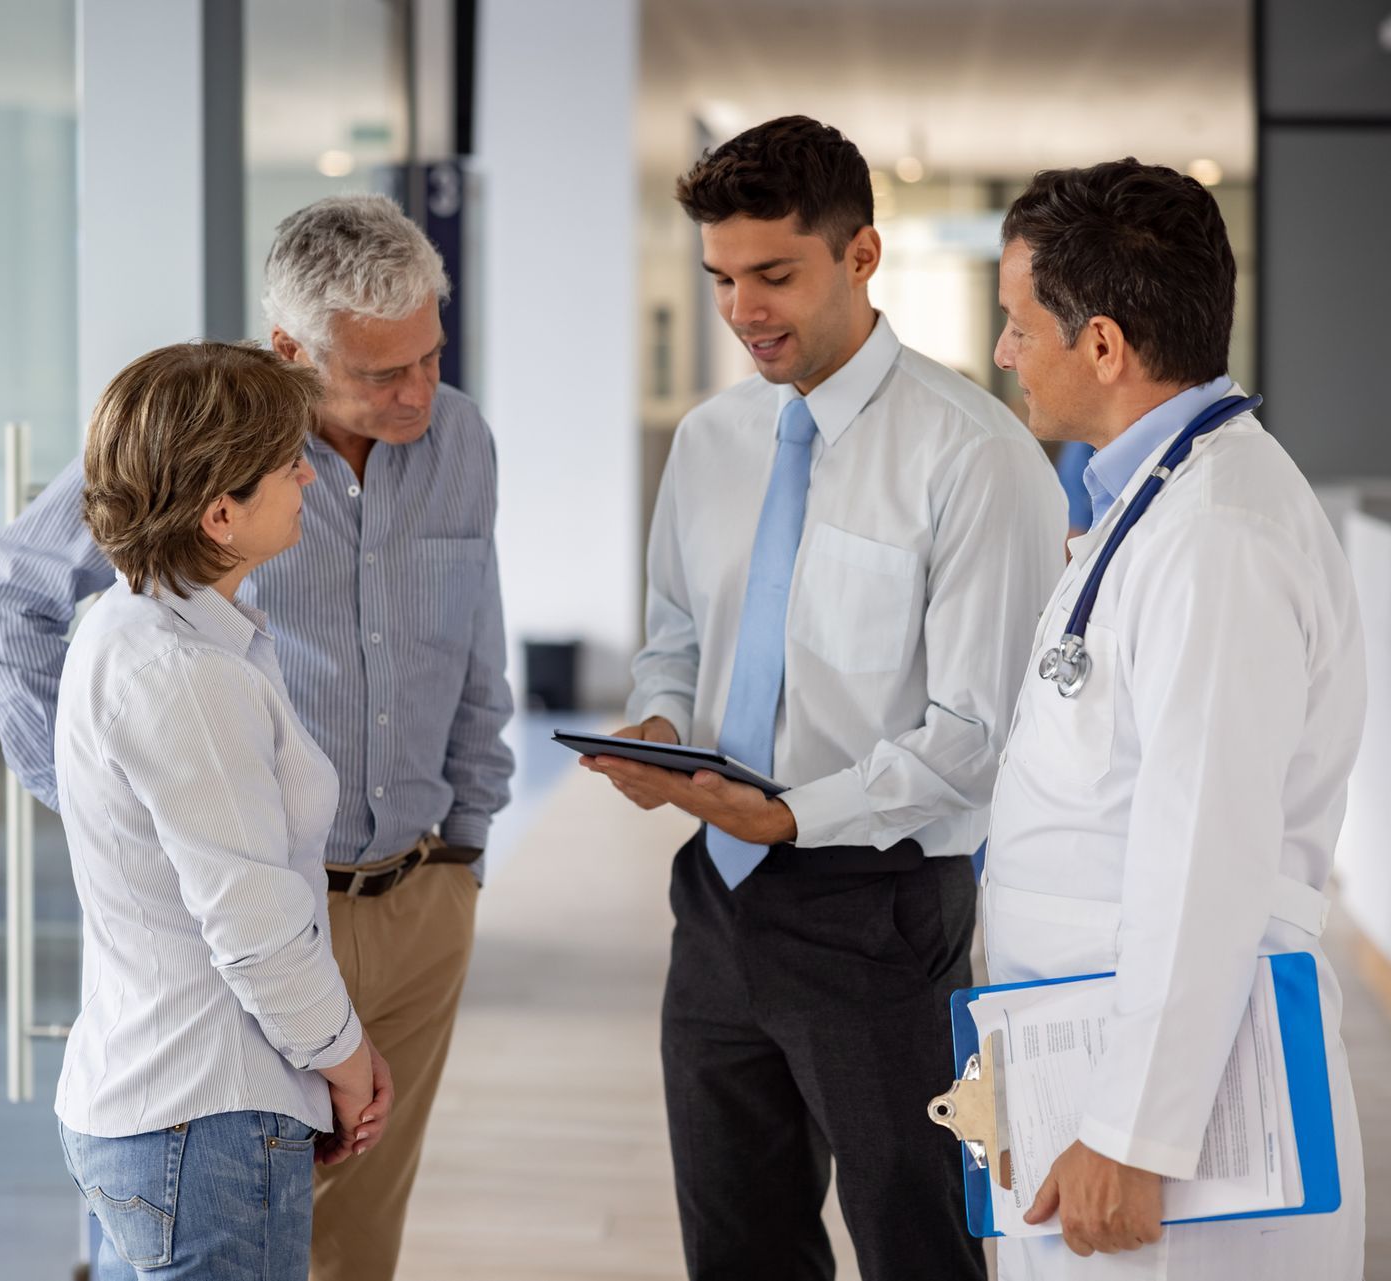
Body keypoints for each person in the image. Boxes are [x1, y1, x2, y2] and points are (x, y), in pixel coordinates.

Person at [0, 195, 514, 1281]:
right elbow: (1, 603)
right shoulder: (202, 450)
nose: (416, 396)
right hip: (263, 918)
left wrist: (469, 848)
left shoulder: (462, 438)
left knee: (353, 1246)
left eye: (429, 359)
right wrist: (117, 817)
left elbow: (477, 640)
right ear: (292, 351)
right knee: (219, 1220)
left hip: (421, 891)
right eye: (379, 373)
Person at [583, 116, 1065, 1280]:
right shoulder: (710, 442)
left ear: (861, 257)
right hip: (717, 898)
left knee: (919, 1243)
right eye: (722, 280)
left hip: (879, 912)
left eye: (775, 275)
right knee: (735, 1241)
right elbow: (680, 638)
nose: (744, 309)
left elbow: (978, 736)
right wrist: (656, 727)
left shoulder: (974, 456)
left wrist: (795, 816)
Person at [986, 159, 1366, 1277]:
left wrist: (1134, 1127)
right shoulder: (1159, 506)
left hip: (1177, 1115)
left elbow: (1206, 850)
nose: (1005, 352)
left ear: (1102, 346)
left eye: (1017, 326)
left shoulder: (1217, 541)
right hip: (1089, 1052)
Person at [52, 341, 393, 1281]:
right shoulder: (184, 675)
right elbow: (254, 925)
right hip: (200, 1116)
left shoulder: (144, 627)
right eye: (288, 463)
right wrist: (348, 1060)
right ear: (220, 515)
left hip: (169, 1108)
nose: (308, 473)